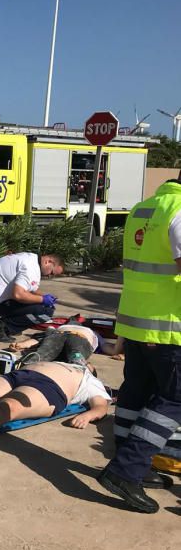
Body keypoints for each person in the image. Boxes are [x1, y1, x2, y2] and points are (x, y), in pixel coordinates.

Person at [97, 173, 181, 513]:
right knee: (175, 398)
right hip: (168, 326)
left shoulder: (143, 208)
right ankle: (126, 470)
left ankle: (131, 464)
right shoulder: (179, 210)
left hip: (135, 321)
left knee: (136, 390)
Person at [0, 252, 64, 342]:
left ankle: (8, 325)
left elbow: (32, 289)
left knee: (40, 303)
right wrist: (43, 299)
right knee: (46, 312)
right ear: (48, 262)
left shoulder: (30, 258)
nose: (49, 276)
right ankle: (2, 326)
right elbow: (18, 295)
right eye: (52, 273)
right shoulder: (30, 268)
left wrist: (45, 296)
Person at [9, 325, 124, 365]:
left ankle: (20, 366)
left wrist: (22, 344)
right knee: (76, 358)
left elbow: (40, 339)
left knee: (41, 354)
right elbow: (113, 350)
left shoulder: (95, 335)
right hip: (75, 337)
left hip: (59, 334)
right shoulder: (94, 334)